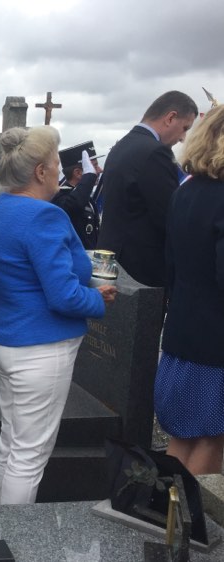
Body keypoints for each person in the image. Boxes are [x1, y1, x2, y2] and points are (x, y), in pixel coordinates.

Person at [0, 126, 116, 505]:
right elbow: (64, 297)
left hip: (7, 338)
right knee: (30, 454)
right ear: (40, 171)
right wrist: (97, 299)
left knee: (13, 444)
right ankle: (17, 541)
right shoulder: (43, 217)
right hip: (40, 346)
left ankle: (5, 532)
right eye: (55, 164)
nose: (59, 170)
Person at [154, 105, 224, 475]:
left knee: (182, 438)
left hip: (183, 332)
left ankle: (158, 515)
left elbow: (172, 265)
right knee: (212, 439)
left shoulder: (186, 191)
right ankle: (188, 531)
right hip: (216, 343)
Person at [97, 91, 198, 286]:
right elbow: (170, 215)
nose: (183, 138)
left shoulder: (123, 145)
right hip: (142, 270)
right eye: (185, 128)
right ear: (170, 118)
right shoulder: (155, 153)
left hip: (113, 261)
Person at [51, 141, 101, 249]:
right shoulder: (61, 197)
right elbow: (72, 206)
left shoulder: (87, 199)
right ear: (78, 173)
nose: (100, 170)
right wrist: (89, 177)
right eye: (95, 167)